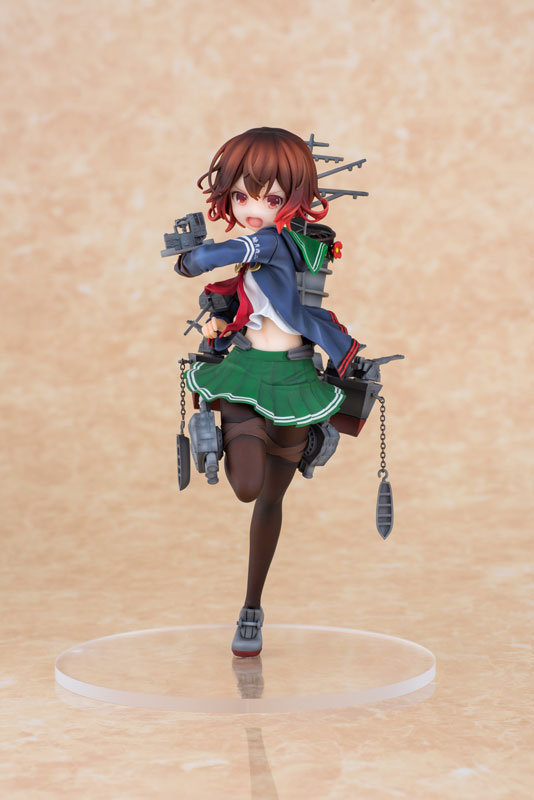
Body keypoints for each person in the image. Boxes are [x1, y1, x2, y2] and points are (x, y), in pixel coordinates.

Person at [175, 127, 359, 657]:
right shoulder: (273, 246)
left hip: (294, 377)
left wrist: (188, 259)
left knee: (271, 499)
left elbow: (222, 252)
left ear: (294, 200)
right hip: (248, 371)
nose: (253, 209)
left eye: (271, 198)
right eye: (241, 196)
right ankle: (213, 431)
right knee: (247, 486)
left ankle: (251, 609)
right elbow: (239, 275)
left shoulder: (273, 240)